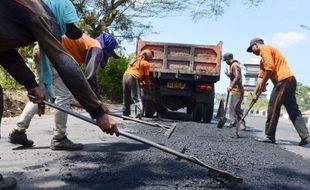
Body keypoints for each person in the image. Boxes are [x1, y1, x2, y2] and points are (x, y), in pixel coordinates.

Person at [0, 0, 118, 151]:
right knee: (63, 94)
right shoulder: (40, 13)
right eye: (65, 26)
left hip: (42, 50)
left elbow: (3, 50)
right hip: (50, 54)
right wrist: (98, 110)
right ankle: (59, 138)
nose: (63, 32)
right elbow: (80, 71)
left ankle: (19, 130)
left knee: (41, 92)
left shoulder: (19, 17)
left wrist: (31, 84)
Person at [247, 38, 310, 146]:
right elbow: (260, 78)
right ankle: (306, 137)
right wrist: (255, 93)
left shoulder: (265, 49)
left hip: (284, 81)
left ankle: (269, 136)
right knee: (293, 110)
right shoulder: (263, 60)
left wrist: (262, 85)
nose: (252, 52)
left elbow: (270, 68)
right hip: (289, 81)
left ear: (256, 45)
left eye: (251, 49)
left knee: (273, 107)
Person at [62, 32, 120, 100]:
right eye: (111, 53)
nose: (110, 56)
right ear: (108, 46)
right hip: (58, 47)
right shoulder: (97, 47)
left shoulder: (90, 44)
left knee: (60, 92)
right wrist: (97, 99)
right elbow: (90, 76)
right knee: (64, 96)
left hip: (56, 46)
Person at [122, 49, 154, 119]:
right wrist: (148, 87)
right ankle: (139, 113)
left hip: (125, 76)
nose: (149, 60)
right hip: (132, 78)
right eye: (150, 58)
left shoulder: (134, 60)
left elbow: (134, 71)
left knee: (126, 97)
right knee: (136, 97)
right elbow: (146, 77)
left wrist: (140, 81)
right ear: (148, 57)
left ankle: (125, 114)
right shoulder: (146, 64)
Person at [223, 53, 244, 128]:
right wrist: (228, 75)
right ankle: (234, 122)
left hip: (237, 90)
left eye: (225, 60)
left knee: (235, 108)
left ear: (229, 59)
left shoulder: (234, 65)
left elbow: (238, 77)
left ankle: (240, 123)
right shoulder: (232, 65)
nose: (225, 62)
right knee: (232, 107)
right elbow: (234, 76)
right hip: (235, 90)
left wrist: (230, 86)